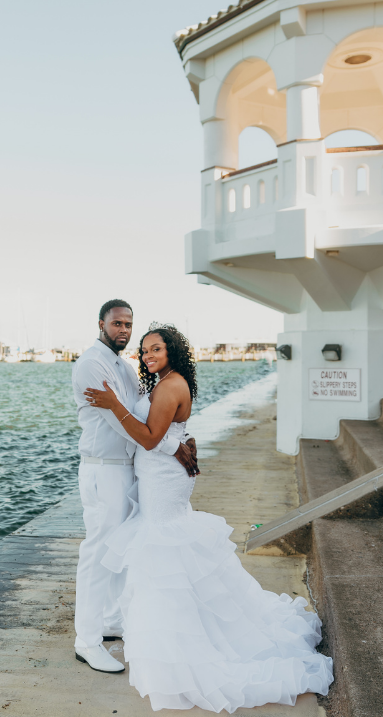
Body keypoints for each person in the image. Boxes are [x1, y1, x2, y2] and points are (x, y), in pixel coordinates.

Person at [84, 324, 334, 713]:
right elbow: (165, 433)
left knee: (165, 550)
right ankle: (175, 634)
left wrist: (114, 405)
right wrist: (179, 443)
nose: (148, 356)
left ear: (173, 353)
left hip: (162, 481)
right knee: (167, 550)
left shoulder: (170, 385)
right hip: (158, 474)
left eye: (156, 350)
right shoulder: (164, 382)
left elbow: (150, 437)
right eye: (144, 351)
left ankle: (181, 643)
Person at [72, 301, 199, 675]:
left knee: (120, 549)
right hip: (104, 469)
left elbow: (154, 414)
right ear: (101, 324)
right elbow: (122, 422)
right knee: (98, 552)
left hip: (129, 470)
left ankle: (110, 620)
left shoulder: (125, 367)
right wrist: (175, 445)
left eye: (128, 324)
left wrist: (183, 437)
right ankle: (87, 641)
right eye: (117, 324)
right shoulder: (92, 364)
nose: (124, 331)